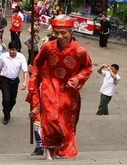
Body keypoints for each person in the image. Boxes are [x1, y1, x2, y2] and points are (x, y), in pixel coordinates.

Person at [29, 17, 93, 159]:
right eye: (57, 33)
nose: (60, 36)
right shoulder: (48, 47)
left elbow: (88, 68)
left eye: (63, 33)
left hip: (68, 90)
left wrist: (76, 79)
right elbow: (37, 63)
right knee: (51, 117)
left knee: (66, 121)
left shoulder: (80, 51)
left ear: (71, 32)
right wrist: (34, 79)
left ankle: (60, 147)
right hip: (49, 85)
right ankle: (49, 147)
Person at [0, 41, 28, 125]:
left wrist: (25, 82)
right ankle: (6, 116)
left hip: (14, 81)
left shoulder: (21, 57)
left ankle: (6, 109)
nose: (11, 52)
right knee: (6, 99)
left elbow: (25, 70)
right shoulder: (3, 56)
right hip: (4, 80)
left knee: (13, 100)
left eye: (13, 50)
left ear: (17, 50)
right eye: (10, 50)